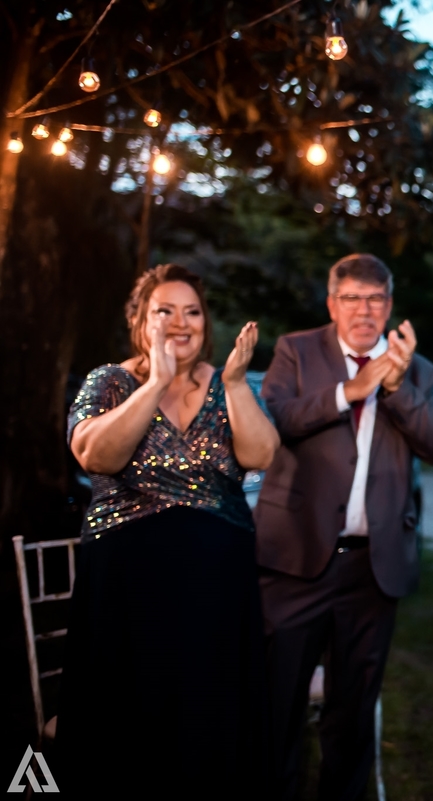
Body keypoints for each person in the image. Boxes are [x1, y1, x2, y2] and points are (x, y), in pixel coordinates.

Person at [56, 264, 279, 798]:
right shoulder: (110, 381)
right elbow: (95, 455)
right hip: (126, 596)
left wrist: (233, 383)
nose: (181, 322)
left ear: (206, 322)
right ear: (139, 321)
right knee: (125, 726)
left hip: (216, 598)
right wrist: (156, 381)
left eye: (192, 311)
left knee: (208, 724)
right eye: (165, 311)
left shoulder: (226, 383)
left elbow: (261, 454)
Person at [255, 254, 433, 801]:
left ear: (389, 306)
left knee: (353, 710)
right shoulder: (296, 351)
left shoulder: (416, 369)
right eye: (352, 298)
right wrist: (353, 389)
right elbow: (278, 421)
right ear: (332, 304)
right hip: (295, 560)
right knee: (278, 703)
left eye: (375, 299)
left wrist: (394, 388)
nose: (364, 310)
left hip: (373, 566)